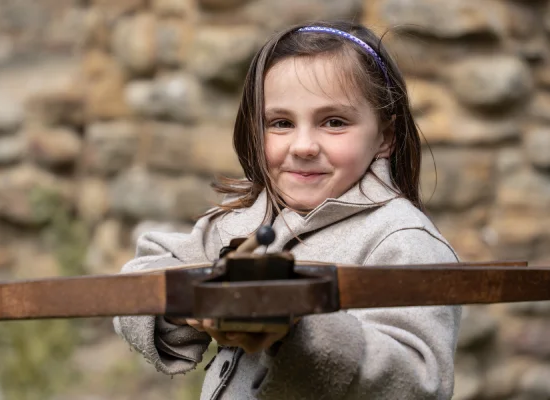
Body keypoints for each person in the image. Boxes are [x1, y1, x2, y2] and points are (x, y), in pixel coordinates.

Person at [113, 20, 461, 400]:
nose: (304, 145)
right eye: (281, 123)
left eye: (334, 122)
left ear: (384, 137)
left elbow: (417, 382)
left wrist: (295, 330)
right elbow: (140, 280)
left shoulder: (402, 241)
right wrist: (190, 304)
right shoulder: (250, 220)